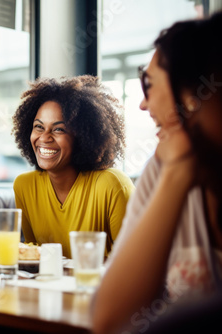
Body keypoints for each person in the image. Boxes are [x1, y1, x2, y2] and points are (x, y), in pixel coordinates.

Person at [92, 12, 222, 334]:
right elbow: (109, 318)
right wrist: (177, 175)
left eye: (148, 85)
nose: (143, 105)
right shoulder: (163, 168)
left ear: (194, 94)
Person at [12, 76, 135, 258]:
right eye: (39, 127)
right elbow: (35, 259)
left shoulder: (112, 184)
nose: (44, 138)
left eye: (58, 129)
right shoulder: (25, 186)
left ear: (83, 137)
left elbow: (135, 262)